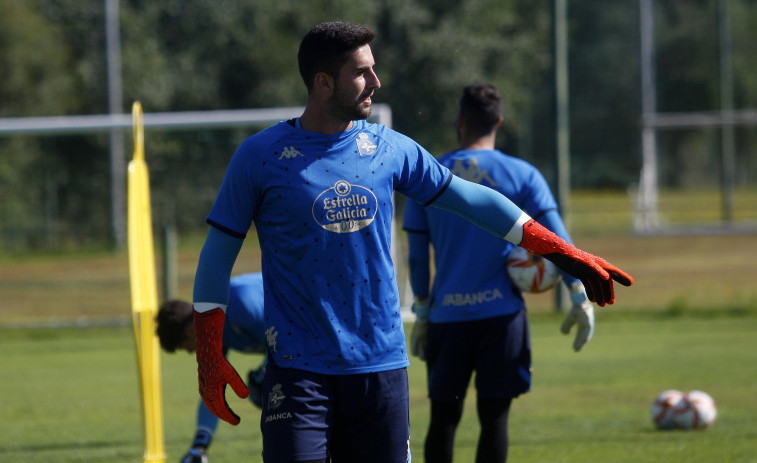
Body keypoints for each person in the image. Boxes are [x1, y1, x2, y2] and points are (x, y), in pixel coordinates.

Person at [190, 21, 633, 463]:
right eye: (361, 72)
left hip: (381, 367)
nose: (376, 82)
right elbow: (215, 260)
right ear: (323, 82)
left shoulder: (389, 148)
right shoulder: (260, 156)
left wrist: (563, 252)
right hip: (297, 371)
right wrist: (209, 353)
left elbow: (473, 201)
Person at [402, 82, 596, 463]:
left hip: (448, 318)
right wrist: (578, 293)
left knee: (443, 418)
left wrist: (422, 311)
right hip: (502, 319)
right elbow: (558, 240)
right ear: (500, 122)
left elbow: (416, 256)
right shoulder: (523, 174)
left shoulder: (429, 174)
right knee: (495, 420)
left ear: (460, 121)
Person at [156, 272, 267, 463]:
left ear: (190, 331)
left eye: (186, 346)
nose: (191, 352)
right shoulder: (212, 330)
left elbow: (296, 336)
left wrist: (265, 371)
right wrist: (199, 447)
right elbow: (212, 392)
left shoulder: (240, 303)